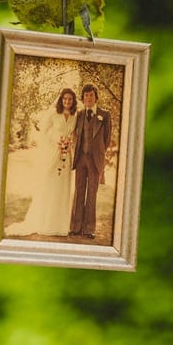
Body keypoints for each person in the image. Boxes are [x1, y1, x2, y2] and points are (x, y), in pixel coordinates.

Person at [6, 88, 79, 237]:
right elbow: (44, 132)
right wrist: (56, 141)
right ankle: (46, 222)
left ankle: (60, 225)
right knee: (50, 185)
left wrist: (69, 143)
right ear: (61, 99)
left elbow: (74, 134)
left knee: (63, 187)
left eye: (70, 99)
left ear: (73, 101)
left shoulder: (74, 116)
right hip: (53, 152)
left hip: (66, 155)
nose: (67, 101)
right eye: (65, 98)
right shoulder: (53, 113)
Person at [69, 84, 111, 239]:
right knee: (79, 192)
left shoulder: (105, 115)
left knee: (92, 194)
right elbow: (75, 135)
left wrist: (97, 152)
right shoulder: (79, 115)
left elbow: (106, 139)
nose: (88, 98)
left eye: (91, 95)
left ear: (96, 97)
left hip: (95, 160)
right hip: (80, 159)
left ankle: (89, 229)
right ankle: (75, 227)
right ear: (83, 98)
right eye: (86, 95)